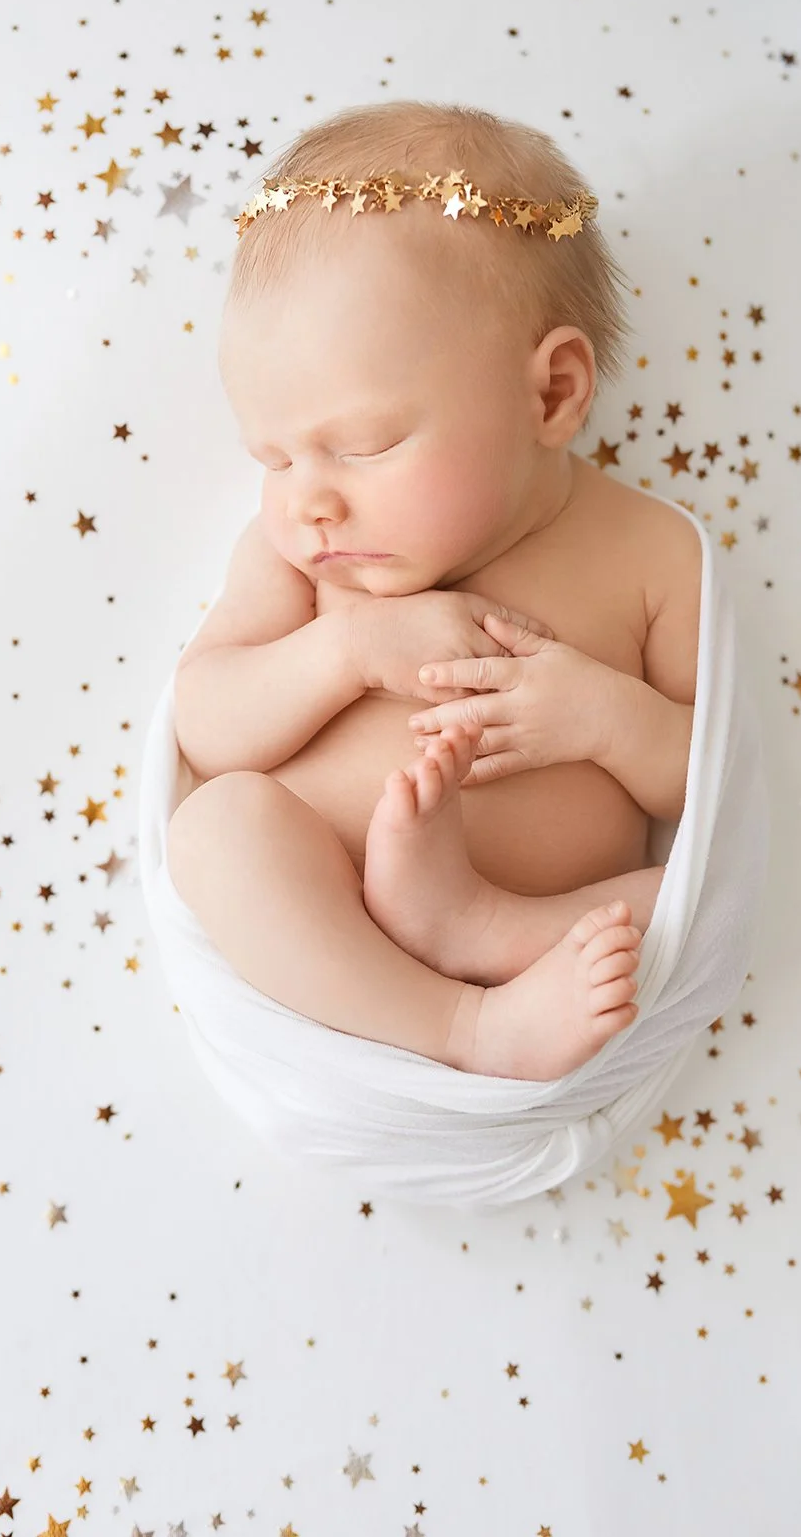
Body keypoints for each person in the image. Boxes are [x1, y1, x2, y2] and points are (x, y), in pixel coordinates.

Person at [167, 102, 699, 1083]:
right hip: (328, 918)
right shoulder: (289, 558)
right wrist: (349, 650)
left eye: (363, 445)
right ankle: (455, 1023)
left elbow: (705, 782)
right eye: (272, 458)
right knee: (214, 830)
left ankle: (482, 929)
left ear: (550, 394)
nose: (309, 500)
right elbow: (207, 727)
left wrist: (603, 717)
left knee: (699, 889)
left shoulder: (648, 553)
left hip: (553, 942)